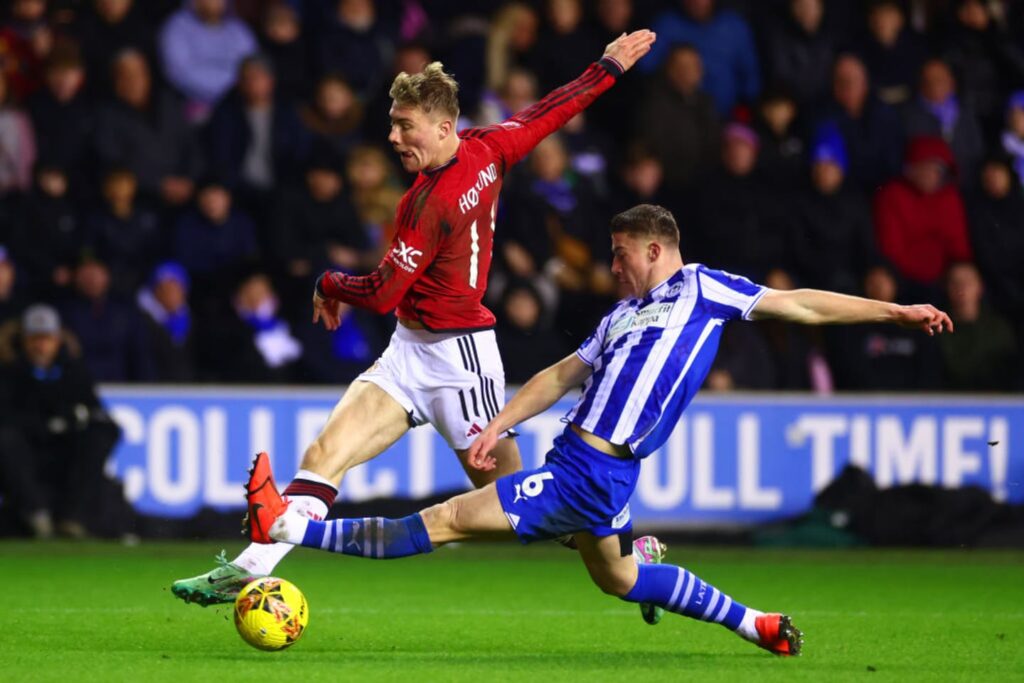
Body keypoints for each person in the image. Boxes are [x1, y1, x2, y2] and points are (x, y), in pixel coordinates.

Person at [247, 203, 953, 656]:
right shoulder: (619, 318)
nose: (611, 266)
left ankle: (289, 526)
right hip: (592, 471)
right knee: (621, 578)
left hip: (587, 473)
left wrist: (894, 312)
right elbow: (559, 373)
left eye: (619, 254)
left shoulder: (706, 291)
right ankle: (756, 621)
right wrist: (497, 423)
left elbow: (801, 305)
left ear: (654, 247)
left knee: (444, 522)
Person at [171, 29, 659, 607]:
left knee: (528, 510)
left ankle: (635, 560)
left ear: (443, 127)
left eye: (405, 126)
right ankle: (247, 572)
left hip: (463, 362)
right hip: (409, 350)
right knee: (325, 456)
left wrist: (328, 282)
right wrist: (606, 67)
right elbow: (549, 111)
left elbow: (379, 292)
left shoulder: (429, 203)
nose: (393, 136)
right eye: (393, 123)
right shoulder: (488, 146)